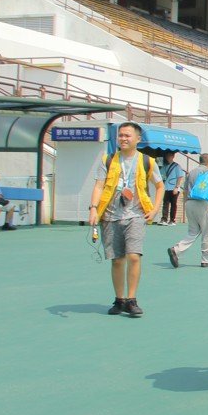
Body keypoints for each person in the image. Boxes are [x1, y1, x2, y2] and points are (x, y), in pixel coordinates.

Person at [87, 122, 164, 317]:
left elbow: (160, 186)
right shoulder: (108, 159)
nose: (123, 138)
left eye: (127, 135)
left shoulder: (147, 161)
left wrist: (155, 209)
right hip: (111, 216)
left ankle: (132, 299)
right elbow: (99, 186)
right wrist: (94, 209)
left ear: (138, 139)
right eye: (120, 135)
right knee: (117, 260)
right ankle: (119, 299)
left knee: (133, 256)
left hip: (136, 215)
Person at [168, 153, 208, 268]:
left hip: (189, 203)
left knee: (193, 231)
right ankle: (207, 259)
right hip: (202, 203)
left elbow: (185, 190)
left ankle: (176, 250)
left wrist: (185, 202)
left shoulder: (191, 172)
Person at [159, 151, 184, 225]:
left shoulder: (177, 166)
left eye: (169, 155)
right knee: (165, 204)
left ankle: (172, 220)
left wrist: (176, 187)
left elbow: (180, 177)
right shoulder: (164, 166)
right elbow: (161, 175)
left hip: (174, 188)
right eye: (167, 155)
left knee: (173, 204)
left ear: (173, 156)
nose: (168, 157)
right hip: (166, 188)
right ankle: (164, 219)